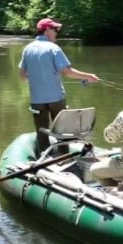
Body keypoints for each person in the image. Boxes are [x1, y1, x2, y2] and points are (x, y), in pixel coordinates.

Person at [19, 18, 99, 154]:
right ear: (47, 30)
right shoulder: (53, 48)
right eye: (55, 29)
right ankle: (64, 158)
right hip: (56, 99)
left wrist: (38, 80)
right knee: (63, 132)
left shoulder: (27, 49)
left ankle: (44, 161)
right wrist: (88, 77)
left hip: (37, 101)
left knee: (41, 132)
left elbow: (22, 75)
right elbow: (67, 72)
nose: (57, 32)